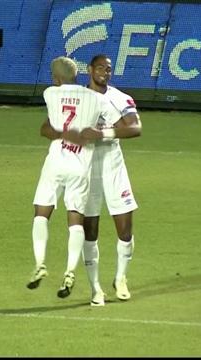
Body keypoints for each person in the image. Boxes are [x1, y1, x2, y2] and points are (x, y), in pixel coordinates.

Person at [40, 54, 142, 306]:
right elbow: (47, 126)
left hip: (113, 166)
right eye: (100, 68)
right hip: (85, 167)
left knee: (125, 229)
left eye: (108, 69)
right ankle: (95, 288)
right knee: (90, 231)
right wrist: (62, 134)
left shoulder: (118, 98)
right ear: (89, 70)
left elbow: (135, 127)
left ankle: (120, 278)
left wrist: (102, 132)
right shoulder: (76, 97)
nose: (104, 73)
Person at [27, 56, 109, 300]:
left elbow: (48, 125)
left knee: (41, 213)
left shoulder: (49, 94)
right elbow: (102, 126)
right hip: (80, 165)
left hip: (56, 162)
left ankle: (40, 263)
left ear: (55, 78)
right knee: (75, 219)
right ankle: (70, 271)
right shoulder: (96, 99)